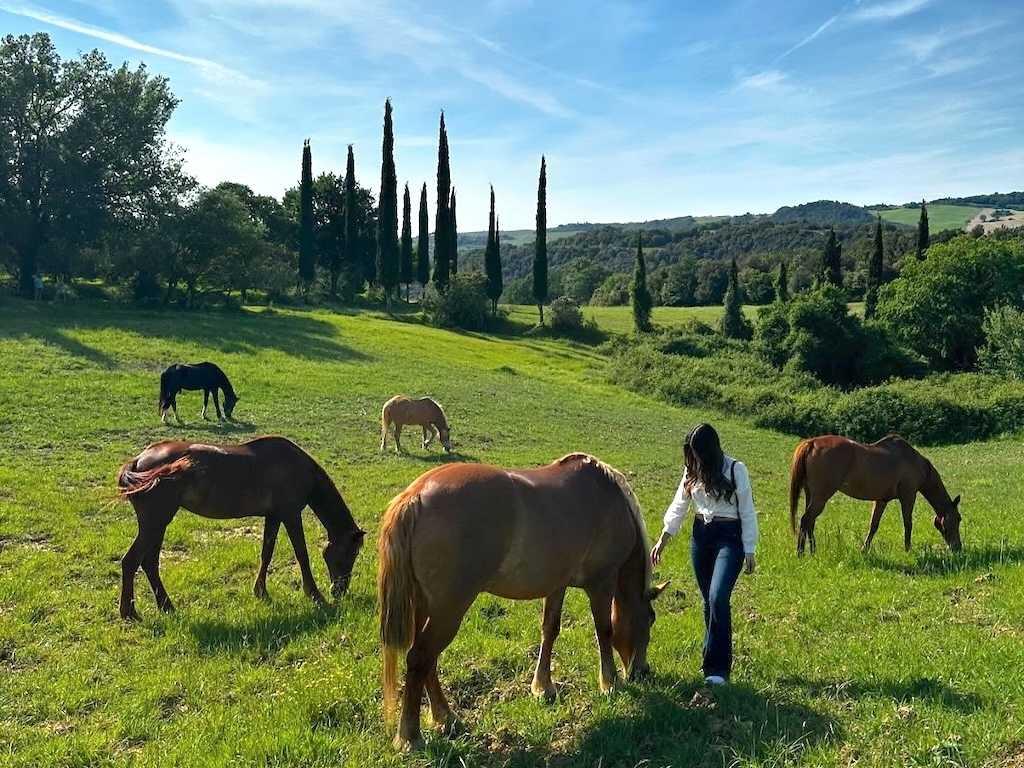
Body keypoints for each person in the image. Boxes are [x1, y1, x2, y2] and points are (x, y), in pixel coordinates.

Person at [650, 423, 758, 685]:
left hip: (729, 538)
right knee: (708, 601)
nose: (694, 460)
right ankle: (710, 666)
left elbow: (747, 510)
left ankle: (719, 670)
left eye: (697, 454)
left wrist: (750, 548)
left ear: (709, 451)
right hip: (701, 536)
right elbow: (679, 504)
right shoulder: (691, 469)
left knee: (718, 596)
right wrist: (663, 538)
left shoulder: (736, 469)